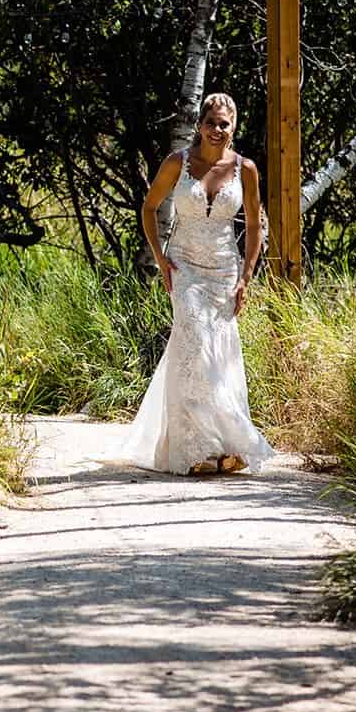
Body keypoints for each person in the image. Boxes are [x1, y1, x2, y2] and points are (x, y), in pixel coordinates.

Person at [111, 92, 273, 475]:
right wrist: (161, 257)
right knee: (195, 343)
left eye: (224, 124)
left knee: (220, 351)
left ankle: (227, 445)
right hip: (184, 266)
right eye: (211, 123)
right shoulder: (177, 163)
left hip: (223, 270)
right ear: (199, 125)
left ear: (233, 128)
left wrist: (246, 277)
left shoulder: (245, 169)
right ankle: (195, 447)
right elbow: (149, 208)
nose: (217, 130)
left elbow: (253, 226)